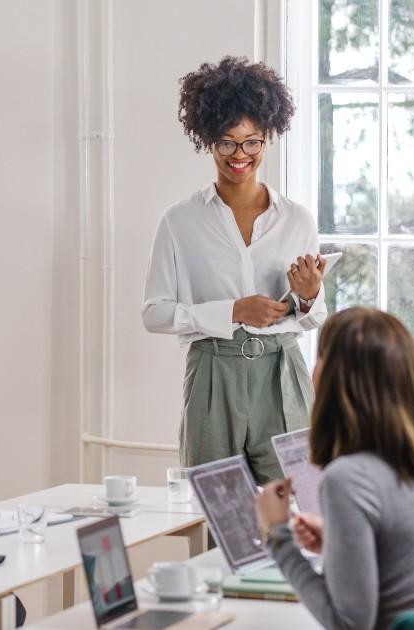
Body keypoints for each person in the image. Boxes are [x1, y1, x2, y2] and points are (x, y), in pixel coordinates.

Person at [142, 56, 327, 483]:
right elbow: (153, 312)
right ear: (209, 140)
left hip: (282, 374)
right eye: (227, 142)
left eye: (252, 142)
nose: (240, 155)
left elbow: (312, 315)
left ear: (267, 138)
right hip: (212, 373)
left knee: (298, 508)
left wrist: (308, 294)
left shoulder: (297, 219)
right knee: (215, 509)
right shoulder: (179, 220)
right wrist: (232, 312)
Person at [256, 308, 414, 630]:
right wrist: (337, 543)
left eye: (320, 358)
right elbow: (406, 562)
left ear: (332, 380)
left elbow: (348, 624)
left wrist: (277, 534)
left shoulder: (348, 479)